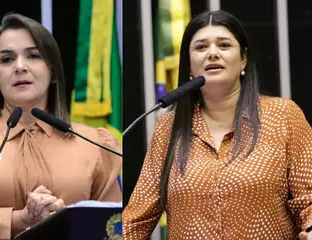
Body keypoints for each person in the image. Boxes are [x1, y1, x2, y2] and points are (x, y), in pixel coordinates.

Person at [0, 13, 122, 239]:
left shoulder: (93, 144)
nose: (19, 67)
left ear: (53, 72)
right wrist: (17, 220)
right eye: (7, 59)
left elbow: (114, 226)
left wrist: (64, 220)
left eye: (33, 56)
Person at [122, 10, 312, 240]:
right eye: (201, 47)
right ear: (190, 67)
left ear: (243, 58)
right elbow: (136, 219)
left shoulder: (283, 116)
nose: (212, 53)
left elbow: (309, 198)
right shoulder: (168, 128)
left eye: (223, 45)